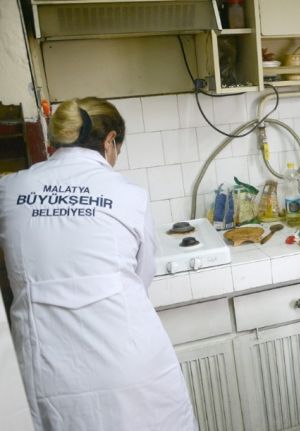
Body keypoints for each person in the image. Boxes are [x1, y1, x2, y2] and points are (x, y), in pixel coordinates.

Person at [0, 97, 196, 430]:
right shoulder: (129, 194)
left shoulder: (9, 189)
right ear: (110, 141)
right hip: (128, 363)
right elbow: (142, 275)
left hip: (48, 367)